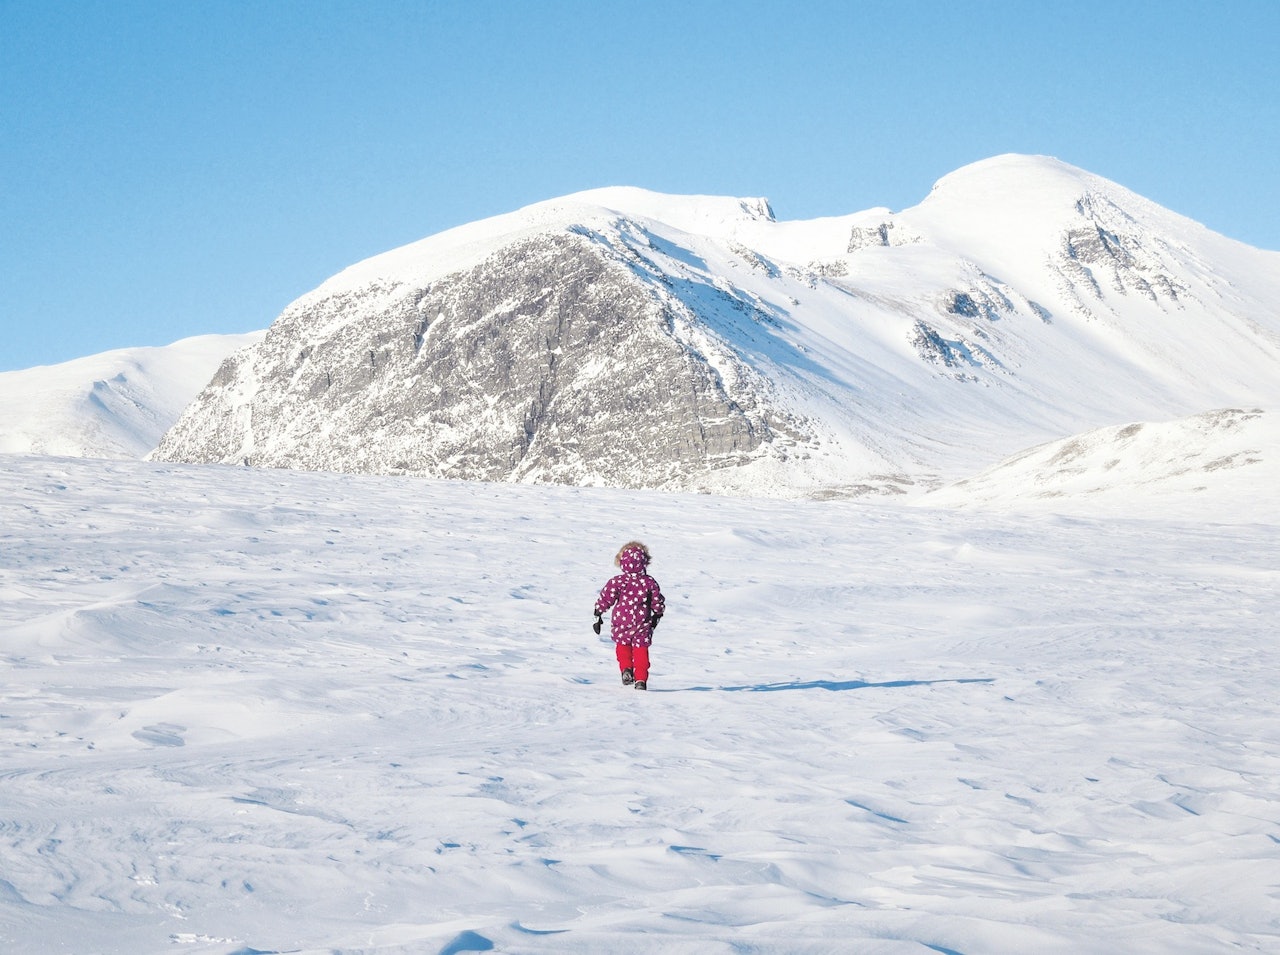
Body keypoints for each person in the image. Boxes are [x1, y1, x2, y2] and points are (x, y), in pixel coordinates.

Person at [593, 541, 665, 690]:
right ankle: (640, 680)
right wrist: (657, 613)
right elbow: (657, 601)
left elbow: (606, 598)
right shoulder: (649, 582)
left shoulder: (617, 582)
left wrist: (598, 612)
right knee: (641, 650)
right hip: (642, 622)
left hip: (621, 621)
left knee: (622, 645)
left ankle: (626, 669)